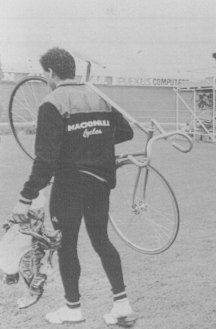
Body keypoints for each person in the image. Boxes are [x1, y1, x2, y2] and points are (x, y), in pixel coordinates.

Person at [11, 47, 136, 325]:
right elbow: (126, 132)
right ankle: (122, 305)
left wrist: (25, 197)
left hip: (69, 185)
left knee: (66, 245)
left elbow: (45, 160)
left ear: (52, 73)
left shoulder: (51, 102)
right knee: (101, 241)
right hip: (100, 184)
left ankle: (72, 308)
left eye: (46, 73)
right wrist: (91, 145)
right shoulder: (98, 97)